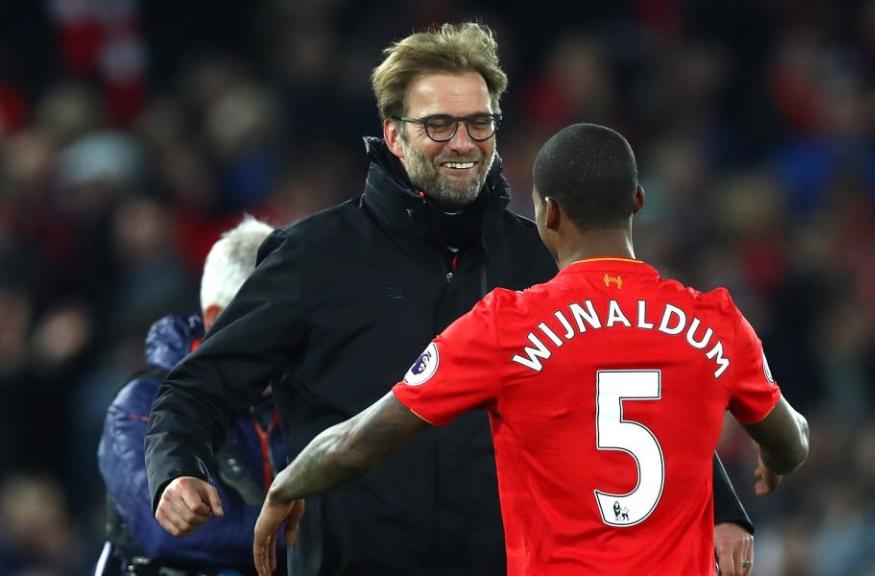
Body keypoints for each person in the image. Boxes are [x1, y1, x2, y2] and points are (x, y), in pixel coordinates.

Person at [146, 23, 756, 575]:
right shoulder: (314, 257)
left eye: (479, 122)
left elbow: (641, 383)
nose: (462, 142)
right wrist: (175, 471)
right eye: (438, 125)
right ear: (393, 134)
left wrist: (722, 506)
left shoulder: (541, 261)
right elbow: (199, 386)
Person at [252, 124, 810, 576]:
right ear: (637, 201)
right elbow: (792, 438)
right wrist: (774, 462)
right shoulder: (713, 321)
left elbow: (360, 442)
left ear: (547, 213)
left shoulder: (507, 326)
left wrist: (288, 482)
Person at [97, 216, 286, 575]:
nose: (294, 334)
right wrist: (309, 538)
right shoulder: (140, 404)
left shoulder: (303, 394)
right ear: (215, 319)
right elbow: (171, 533)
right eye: (276, 319)